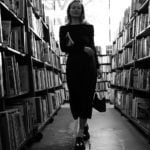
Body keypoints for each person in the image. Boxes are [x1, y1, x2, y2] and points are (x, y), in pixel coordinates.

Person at [59, 0, 99, 149]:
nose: (76, 10)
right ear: (69, 10)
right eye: (73, 7)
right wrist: (82, 48)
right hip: (73, 65)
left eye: (79, 8)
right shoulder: (64, 29)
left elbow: (92, 47)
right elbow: (64, 48)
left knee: (86, 97)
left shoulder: (89, 27)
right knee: (75, 97)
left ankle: (80, 133)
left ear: (82, 11)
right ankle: (84, 124)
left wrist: (98, 66)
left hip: (89, 66)